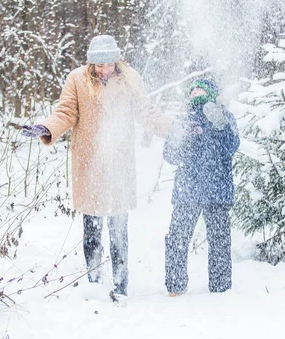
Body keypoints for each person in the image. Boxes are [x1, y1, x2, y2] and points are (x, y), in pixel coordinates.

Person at [21, 35, 172, 299]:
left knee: (118, 229)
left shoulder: (129, 79)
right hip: (89, 164)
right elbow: (66, 113)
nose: (104, 70)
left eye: (109, 64)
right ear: (91, 64)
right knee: (91, 228)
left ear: (117, 60)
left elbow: (147, 113)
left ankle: (121, 285)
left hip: (119, 165)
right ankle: (93, 281)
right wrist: (46, 127)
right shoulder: (77, 80)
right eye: (99, 65)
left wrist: (174, 129)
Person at [163, 78, 240, 296]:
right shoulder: (183, 120)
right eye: (193, 90)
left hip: (217, 190)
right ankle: (175, 287)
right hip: (188, 190)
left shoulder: (224, 116)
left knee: (219, 241)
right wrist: (179, 137)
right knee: (177, 238)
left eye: (201, 90)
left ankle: (221, 288)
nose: (196, 93)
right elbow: (170, 155)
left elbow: (231, 147)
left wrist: (220, 125)